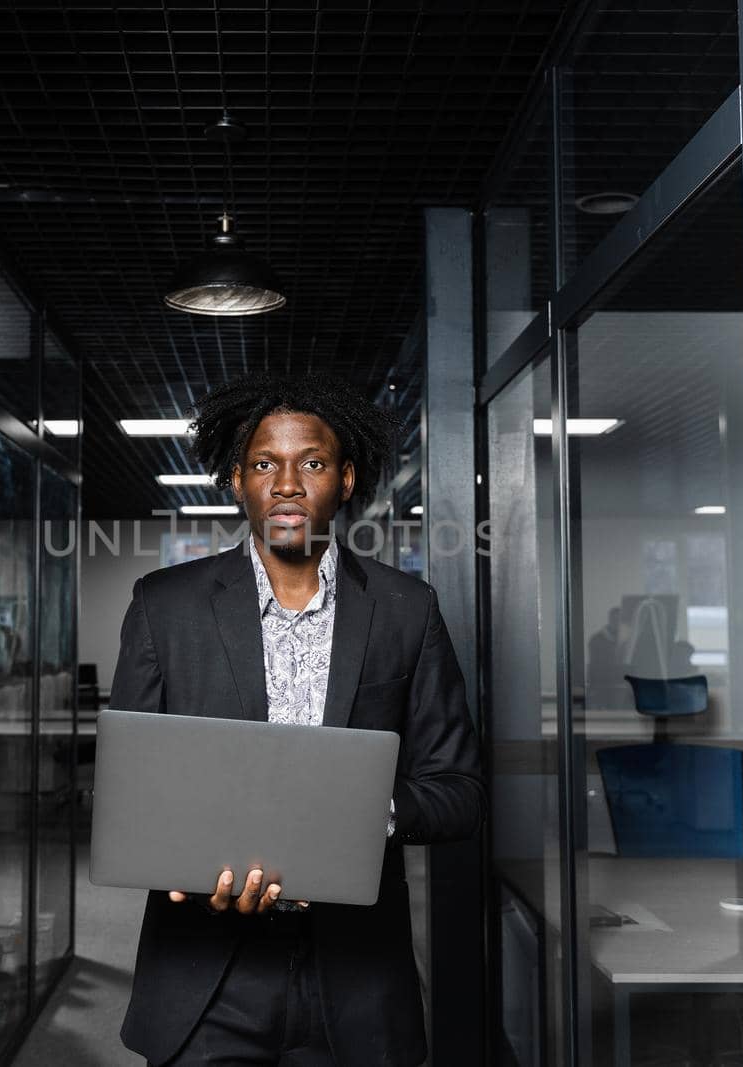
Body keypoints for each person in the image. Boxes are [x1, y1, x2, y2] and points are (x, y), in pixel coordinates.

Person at [110, 373, 483, 1066]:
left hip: (358, 979)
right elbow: (131, 790)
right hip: (205, 978)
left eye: (310, 462)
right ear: (236, 480)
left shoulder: (408, 609)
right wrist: (182, 866)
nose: (286, 483)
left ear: (345, 478)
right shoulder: (164, 606)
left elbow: (459, 790)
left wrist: (368, 811)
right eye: (264, 463)